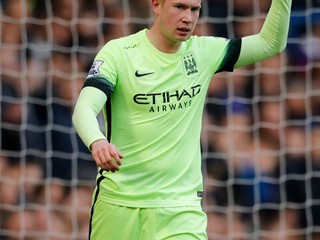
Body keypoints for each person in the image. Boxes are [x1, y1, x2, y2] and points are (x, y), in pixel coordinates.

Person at [72, 0, 292, 239]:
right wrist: (97, 141)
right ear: (156, 5)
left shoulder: (204, 52)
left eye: (194, 9)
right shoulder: (119, 52)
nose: (188, 17)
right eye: (179, 7)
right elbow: (84, 107)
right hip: (119, 203)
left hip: (180, 208)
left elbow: (269, 43)